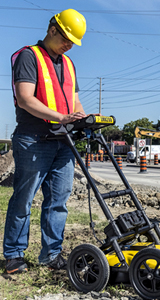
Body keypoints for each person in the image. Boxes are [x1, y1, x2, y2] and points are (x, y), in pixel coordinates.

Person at [3, 9, 87, 274]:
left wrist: (82, 118)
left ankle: (51, 255)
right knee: (23, 199)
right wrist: (61, 117)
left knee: (58, 201)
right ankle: (14, 256)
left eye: (73, 41)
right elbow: (26, 98)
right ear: (53, 29)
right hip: (34, 139)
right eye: (67, 38)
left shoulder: (69, 63)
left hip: (64, 143)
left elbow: (74, 101)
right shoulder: (29, 56)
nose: (69, 45)